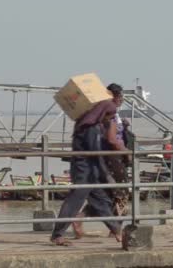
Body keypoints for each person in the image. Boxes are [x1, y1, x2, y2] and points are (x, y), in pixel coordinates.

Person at [50, 100, 122, 246]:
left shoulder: (86, 124)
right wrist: (107, 175)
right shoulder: (91, 128)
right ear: (103, 113)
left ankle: (117, 230)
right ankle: (57, 235)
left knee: (102, 202)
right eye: (109, 116)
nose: (109, 119)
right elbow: (94, 153)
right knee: (73, 203)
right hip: (84, 172)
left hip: (90, 172)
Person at [72, 84, 131, 238]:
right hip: (114, 159)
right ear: (115, 97)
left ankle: (80, 218)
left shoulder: (105, 114)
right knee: (122, 194)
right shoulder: (110, 115)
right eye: (120, 97)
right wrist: (126, 151)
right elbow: (112, 139)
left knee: (106, 193)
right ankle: (115, 228)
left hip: (109, 158)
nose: (121, 100)